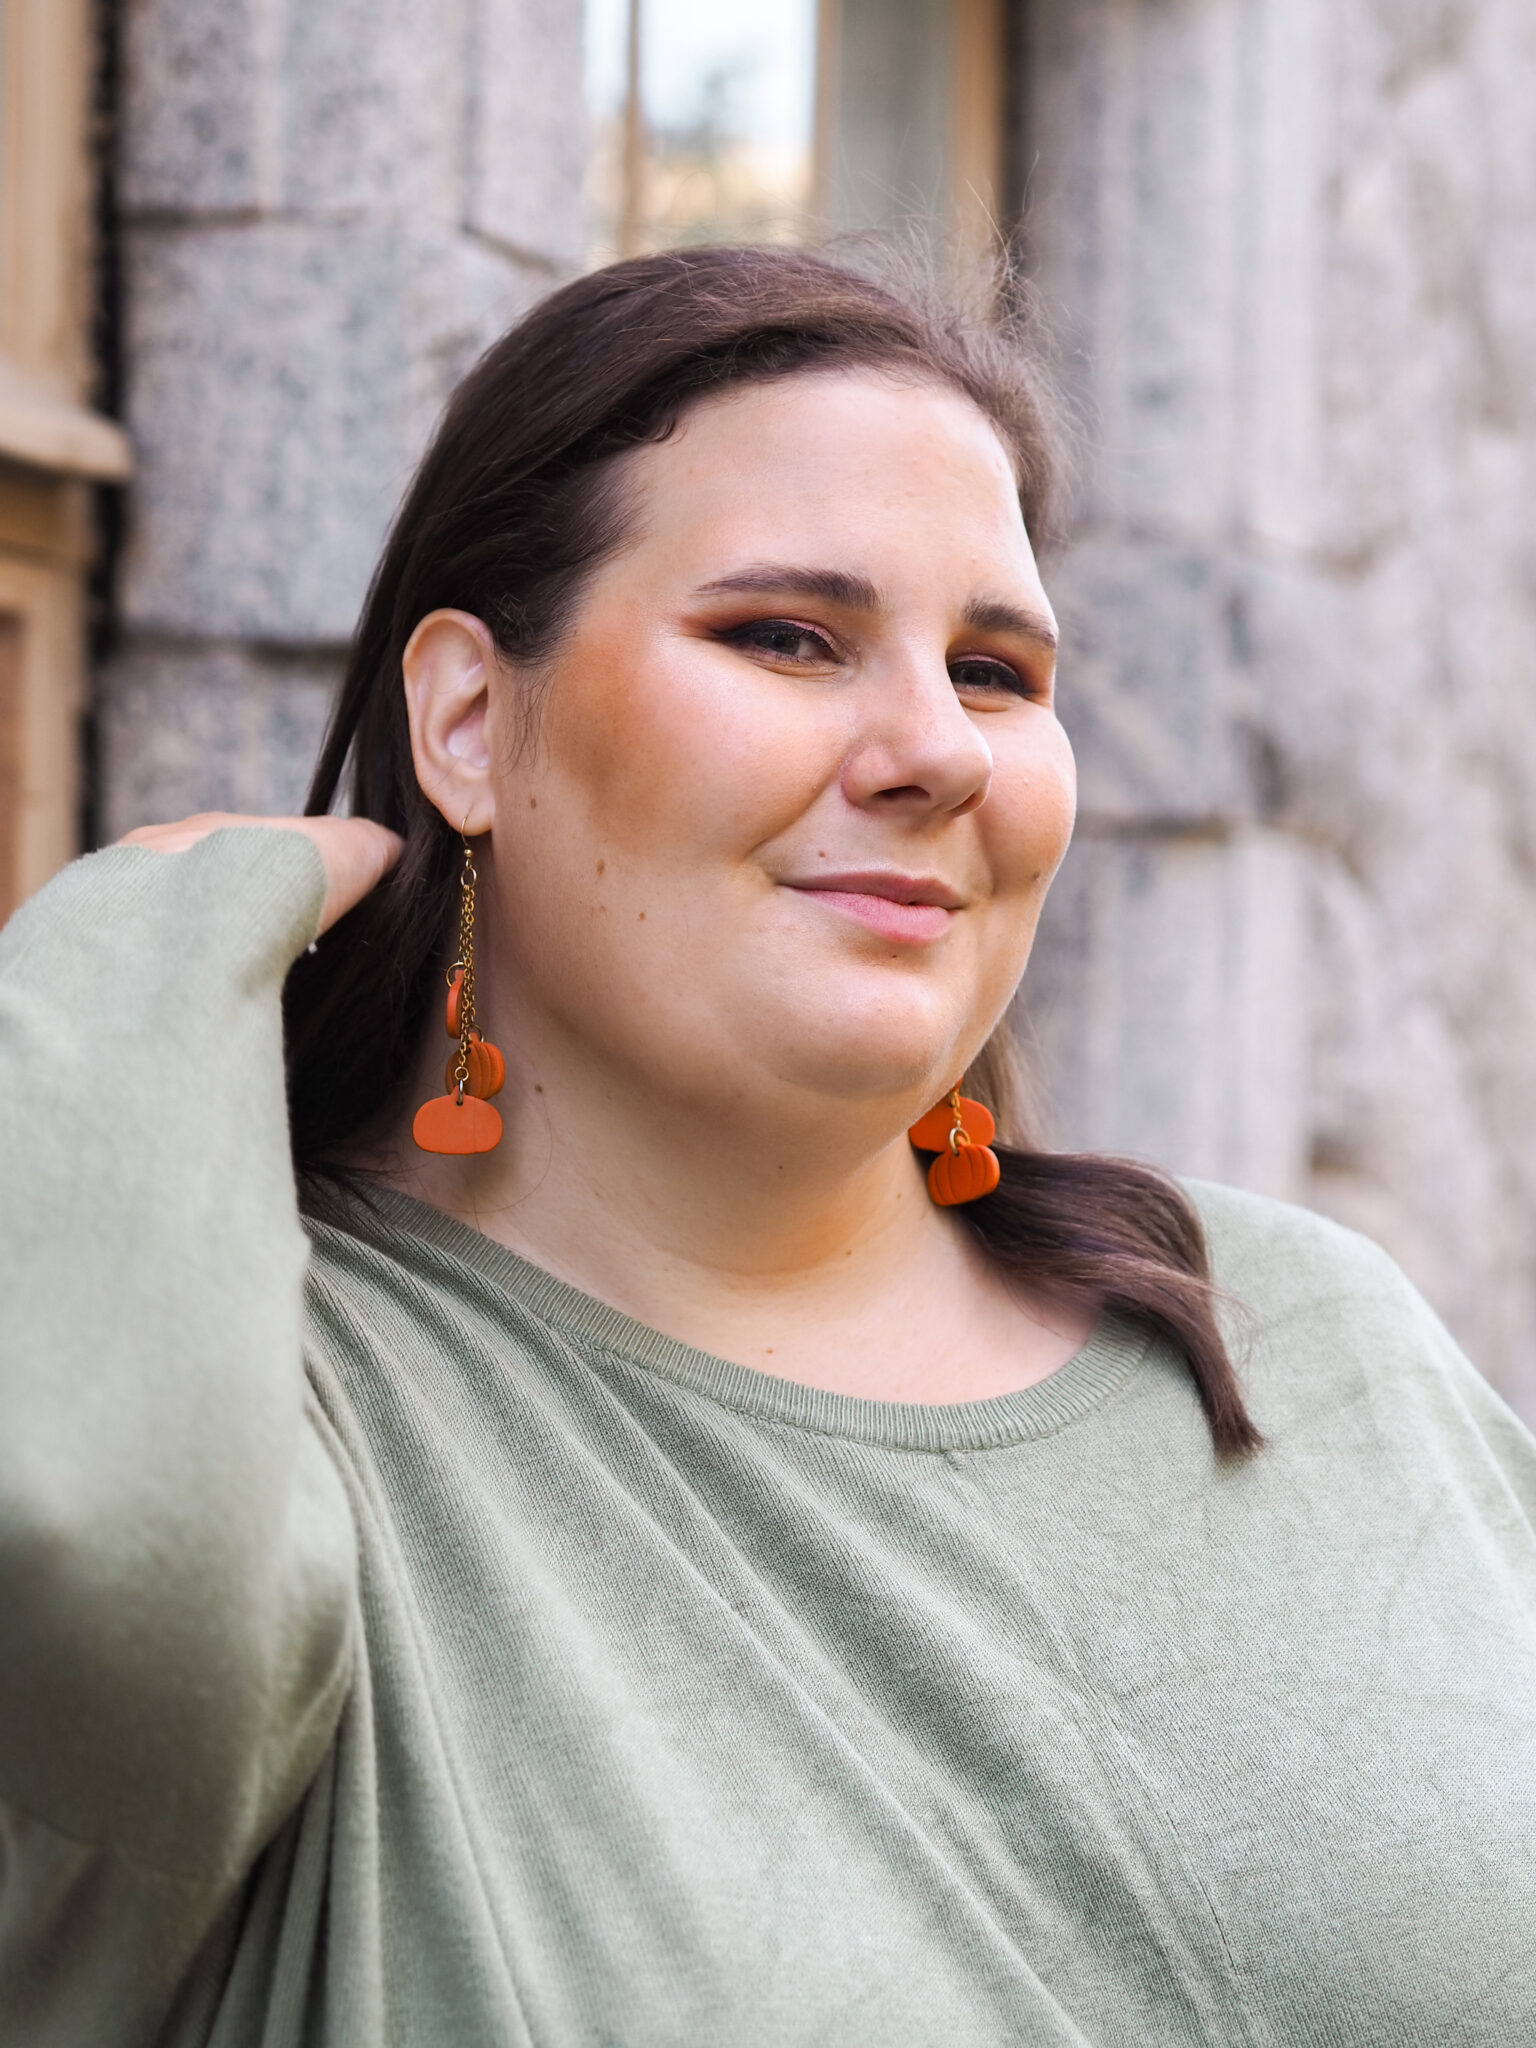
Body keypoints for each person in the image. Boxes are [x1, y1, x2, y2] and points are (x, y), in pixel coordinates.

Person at [2, 247, 1534, 2048]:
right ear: (470, 721)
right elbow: (107, 1564)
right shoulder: (288, 1414)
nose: (937, 751)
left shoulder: (1304, 1338)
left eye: (994, 671)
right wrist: (157, 936)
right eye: (786, 637)